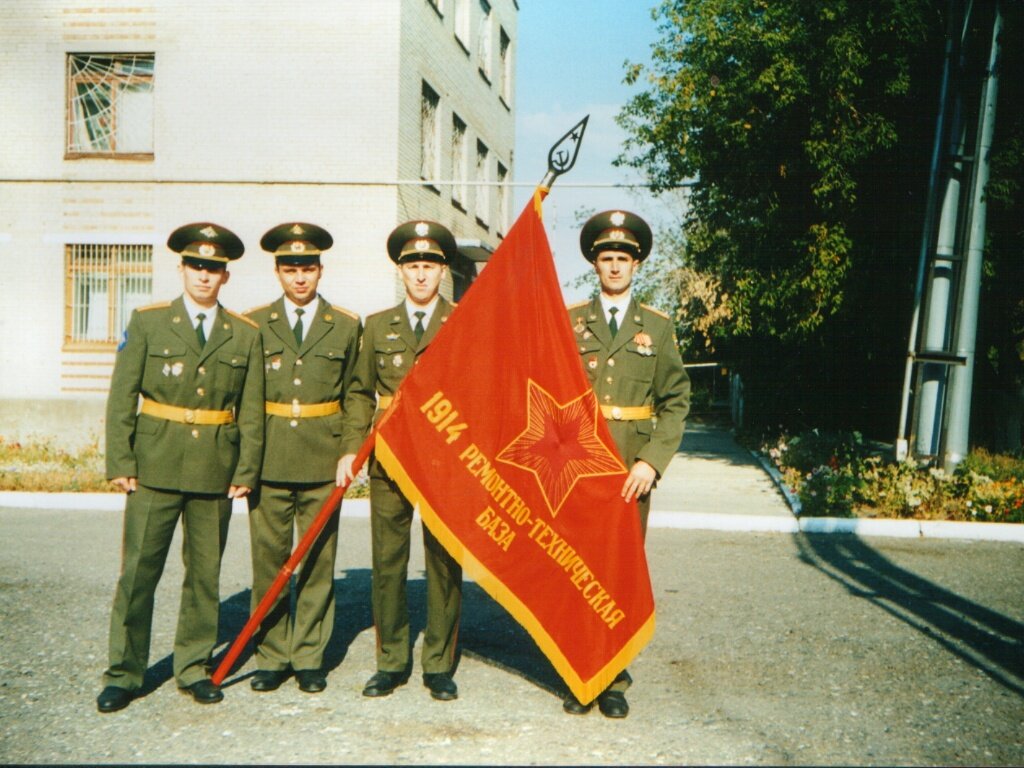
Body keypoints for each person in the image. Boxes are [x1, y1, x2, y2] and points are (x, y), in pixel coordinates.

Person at [96, 222, 264, 713]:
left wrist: (246, 469)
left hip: (216, 466)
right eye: (196, 266)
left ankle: (193, 667)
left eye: (213, 269)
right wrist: (121, 461)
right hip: (154, 465)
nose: (204, 276)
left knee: (204, 575)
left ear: (225, 276)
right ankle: (124, 673)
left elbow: (250, 409)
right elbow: (122, 396)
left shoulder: (243, 333)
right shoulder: (148, 321)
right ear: (182, 269)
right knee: (138, 574)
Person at [563, 209, 691, 719]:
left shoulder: (656, 328)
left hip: (629, 471)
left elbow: (676, 401)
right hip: (578, 467)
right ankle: (579, 672)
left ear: (637, 265)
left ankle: (613, 674)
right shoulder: (571, 321)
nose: (614, 267)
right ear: (595, 264)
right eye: (606, 258)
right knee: (576, 569)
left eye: (623, 259)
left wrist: (651, 463)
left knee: (619, 572)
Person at [337, 220, 463, 702]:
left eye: (429, 265)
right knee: (387, 562)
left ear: (442, 271)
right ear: (400, 271)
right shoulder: (378, 326)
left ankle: (438, 664)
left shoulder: (462, 323)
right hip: (389, 459)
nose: (421, 274)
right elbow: (358, 392)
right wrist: (352, 447)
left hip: (443, 462)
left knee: (443, 562)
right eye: (412, 265)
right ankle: (390, 661)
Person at [243, 222, 363, 694]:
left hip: (323, 457)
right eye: (290, 268)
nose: (299, 278)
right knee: (269, 562)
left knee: (316, 561)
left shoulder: (346, 325)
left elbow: (357, 393)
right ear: (277, 271)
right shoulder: (253, 323)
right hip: (270, 457)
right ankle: (272, 655)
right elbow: (245, 399)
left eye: (307, 268)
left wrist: (350, 449)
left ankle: (309, 655)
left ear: (320, 270)